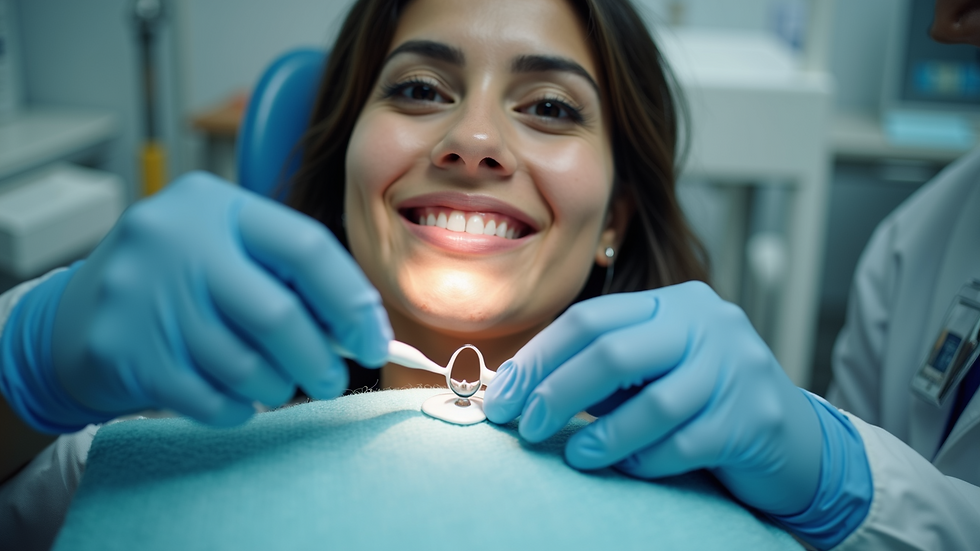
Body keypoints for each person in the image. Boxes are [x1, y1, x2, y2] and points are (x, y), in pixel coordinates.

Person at [0, 0, 974, 549]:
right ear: (342, 167)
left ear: (615, 220)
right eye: (419, 90)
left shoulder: (762, 484)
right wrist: (22, 359)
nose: (471, 141)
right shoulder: (135, 454)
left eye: (549, 108)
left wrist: (839, 485)